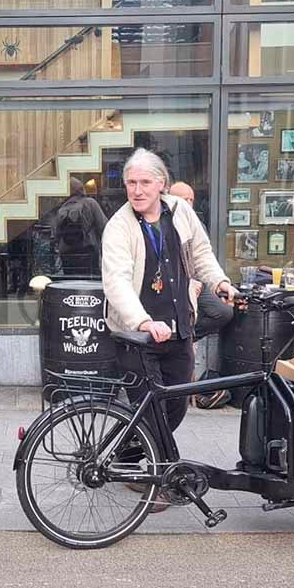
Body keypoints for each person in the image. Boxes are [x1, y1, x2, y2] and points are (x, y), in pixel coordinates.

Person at [102, 149, 236, 432]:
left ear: (161, 183)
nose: (137, 191)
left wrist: (219, 282)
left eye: (145, 182)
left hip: (179, 332)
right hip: (139, 338)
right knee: (152, 418)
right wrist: (144, 322)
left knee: (174, 410)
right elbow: (116, 282)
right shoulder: (118, 226)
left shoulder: (180, 210)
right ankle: (151, 459)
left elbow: (201, 252)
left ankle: (128, 454)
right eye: (131, 183)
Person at [168, 181, 234, 410]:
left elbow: (203, 256)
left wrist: (219, 282)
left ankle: (186, 335)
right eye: (183, 199)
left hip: (196, 280)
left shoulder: (196, 222)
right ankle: (180, 336)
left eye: (191, 199)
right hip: (173, 284)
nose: (188, 203)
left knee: (223, 311)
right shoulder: (164, 221)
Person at [52, 178, 108, 277]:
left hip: (67, 255)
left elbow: (55, 235)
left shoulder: (61, 210)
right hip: (88, 252)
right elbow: (105, 227)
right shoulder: (90, 203)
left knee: (71, 281)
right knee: (90, 282)